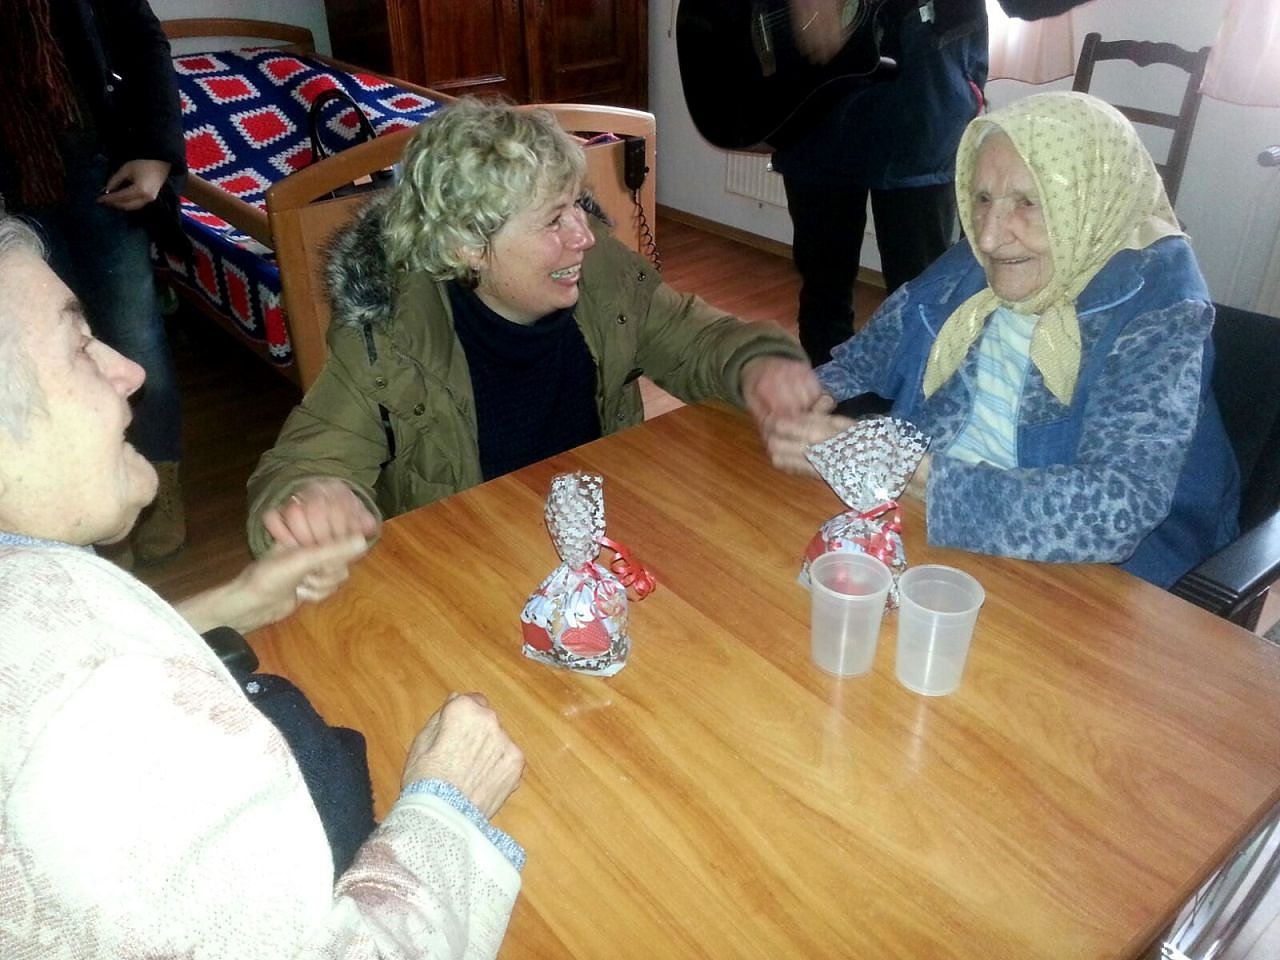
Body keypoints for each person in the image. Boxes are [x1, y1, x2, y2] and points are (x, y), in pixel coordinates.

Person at [0, 215, 527, 957]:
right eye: (79, 345)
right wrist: (449, 803)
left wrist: (232, 603)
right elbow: (310, 452)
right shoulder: (94, 720)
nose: (130, 371)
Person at [246, 98, 823, 556]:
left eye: (576, 205)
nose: (585, 236)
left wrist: (759, 367)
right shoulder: (391, 339)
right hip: (472, 562)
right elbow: (305, 463)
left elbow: (700, 339)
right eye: (553, 220)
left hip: (598, 542)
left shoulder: (604, 278)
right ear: (467, 245)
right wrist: (310, 503)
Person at [761, 91, 1240, 588]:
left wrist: (914, 472)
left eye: (1028, 202)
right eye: (983, 198)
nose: (988, 237)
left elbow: (1119, 506)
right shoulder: (972, 261)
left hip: (1093, 579)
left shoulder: (1161, 311)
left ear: (1088, 200)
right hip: (931, 528)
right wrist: (814, 390)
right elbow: (870, 354)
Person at [776, 0, 1093, 366]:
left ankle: (913, 396)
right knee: (823, 289)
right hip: (816, 109)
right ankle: (824, 386)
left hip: (920, 109)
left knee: (921, 295)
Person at [0, 0, 188, 563]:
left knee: (133, 333)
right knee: (34, 358)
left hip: (98, 159)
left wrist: (156, 152)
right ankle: (77, 502)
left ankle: (154, 472)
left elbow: (140, 37)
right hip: (9, 178)